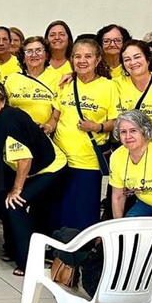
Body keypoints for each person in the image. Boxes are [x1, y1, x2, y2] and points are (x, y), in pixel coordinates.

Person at [0, 80, 66, 276]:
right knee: (6, 203)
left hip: (51, 167)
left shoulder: (9, 122)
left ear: (2, 102)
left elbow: (25, 160)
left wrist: (16, 189)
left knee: (15, 204)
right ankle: (13, 248)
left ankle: (28, 262)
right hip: (31, 167)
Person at [53, 37, 117, 231]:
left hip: (88, 162)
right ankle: (58, 247)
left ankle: (83, 248)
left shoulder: (109, 86)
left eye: (88, 56)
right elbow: (55, 116)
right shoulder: (65, 83)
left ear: (98, 60)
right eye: (77, 56)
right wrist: (46, 127)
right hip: (60, 159)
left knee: (84, 214)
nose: (82, 61)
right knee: (60, 210)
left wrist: (97, 127)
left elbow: (116, 121)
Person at [5, 36, 61, 127]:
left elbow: (57, 113)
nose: (34, 55)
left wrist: (48, 126)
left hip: (44, 132)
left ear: (46, 55)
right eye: (29, 51)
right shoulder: (12, 78)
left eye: (39, 50)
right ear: (23, 58)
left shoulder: (58, 78)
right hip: (16, 131)